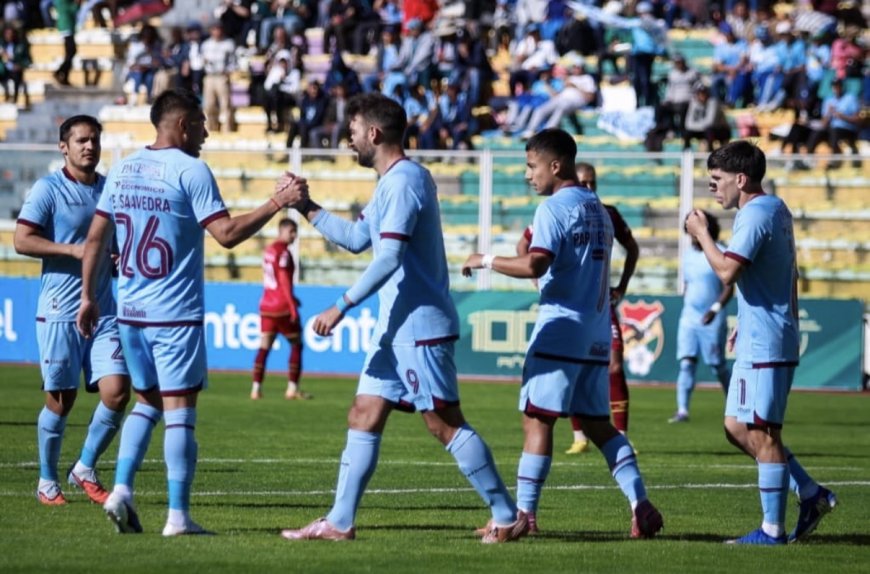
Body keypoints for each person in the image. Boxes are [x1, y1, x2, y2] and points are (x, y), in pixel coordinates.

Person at [280, 92, 527, 543]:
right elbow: (358, 240)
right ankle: (339, 522)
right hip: (395, 330)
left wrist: (341, 305)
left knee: (443, 423)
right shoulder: (392, 181)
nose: (348, 140)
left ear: (373, 133)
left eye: (352, 131)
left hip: (418, 327)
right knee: (363, 413)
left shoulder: (404, 181)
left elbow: (389, 257)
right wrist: (306, 207)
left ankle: (507, 515)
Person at [75, 88, 308, 536]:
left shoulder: (122, 169)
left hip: (131, 312)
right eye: (201, 123)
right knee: (181, 411)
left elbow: (94, 240)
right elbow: (226, 233)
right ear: (182, 125)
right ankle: (178, 517)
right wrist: (277, 202)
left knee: (147, 402)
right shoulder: (191, 170)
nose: (206, 131)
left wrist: (89, 296)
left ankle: (122, 488)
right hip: (174, 314)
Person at [462, 128, 663, 539]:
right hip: (595, 332)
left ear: (555, 166)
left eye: (531, 166)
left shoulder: (553, 209)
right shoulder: (598, 208)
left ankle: (524, 516)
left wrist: (485, 259)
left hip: (560, 330)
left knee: (537, 420)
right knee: (598, 425)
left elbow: (534, 264)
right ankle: (640, 504)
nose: (527, 175)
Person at [685, 140, 837, 544]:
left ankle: (772, 530)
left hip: (767, 340)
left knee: (764, 432)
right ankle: (809, 491)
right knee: (736, 427)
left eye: (717, 180)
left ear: (741, 178)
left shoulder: (754, 215)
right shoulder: (775, 208)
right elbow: (786, 275)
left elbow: (726, 272)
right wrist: (748, 316)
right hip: (760, 332)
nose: (712, 188)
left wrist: (701, 233)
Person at [14, 115, 131, 506]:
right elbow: (21, 240)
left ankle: (84, 466)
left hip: (103, 308)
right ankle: (47, 481)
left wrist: (113, 258)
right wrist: (74, 251)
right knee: (61, 400)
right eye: (81, 140)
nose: (90, 147)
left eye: (94, 140)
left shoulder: (110, 188)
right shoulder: (48, 189)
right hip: (60, 308)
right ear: (63, 147)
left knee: (117, 391)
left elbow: (114, 241)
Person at [517, 162, 639, 455]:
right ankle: (580, 436)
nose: (588, 187)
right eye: (584, 181)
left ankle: (621, 433)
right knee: (574, 383)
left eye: (592, 182)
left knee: (614, 366)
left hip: (593, 308)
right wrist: (538, 281)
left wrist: (621, 286)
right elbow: (524, 246)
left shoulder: (604, 212)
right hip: (573, 309)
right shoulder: (560, 209)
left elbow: (632, 247)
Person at [668, 211, 733, 423]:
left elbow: (729, 287)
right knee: (686, 362)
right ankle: (682, 410)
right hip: (689, 317)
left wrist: (714, 309)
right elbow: (688, 285)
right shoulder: (687, 256)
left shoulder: (720, 252)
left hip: (711, 318)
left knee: (717, 365)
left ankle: (736, 405)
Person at [250, 217, 308, 401]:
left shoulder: (269, 250)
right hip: (282, 307)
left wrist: (293, 299)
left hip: (266, 305)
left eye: (295, 231)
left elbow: (273, 280)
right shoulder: (284, 253)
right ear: (281, 231)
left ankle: (256, 389)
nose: (294, 235)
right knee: (297, 344)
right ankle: (292, 388)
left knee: (264, 347)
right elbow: (283, 280)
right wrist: (292, 307)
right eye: (291, 231)